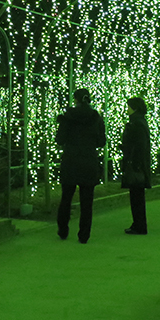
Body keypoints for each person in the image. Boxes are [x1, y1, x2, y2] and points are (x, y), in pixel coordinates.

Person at [55, 88, 106, 243]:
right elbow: (101, 141)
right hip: (88, 161)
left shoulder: (68, 117)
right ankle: (84, 235)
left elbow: (59, 139)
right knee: (87, 201)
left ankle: (63, 229)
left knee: (66, 198)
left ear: (75, 99)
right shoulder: (96, 118)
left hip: (70, 160)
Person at [120, 96, 151, 235]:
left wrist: (135, 163)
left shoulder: (136, 123)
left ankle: (139, 225)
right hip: (137, 163)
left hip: (135, 165)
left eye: (128, 107)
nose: (127, 109)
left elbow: (139, 145)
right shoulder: (139, 122)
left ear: (134, 108)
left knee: (136, 196)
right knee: (137, 196)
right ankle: (138, 224)